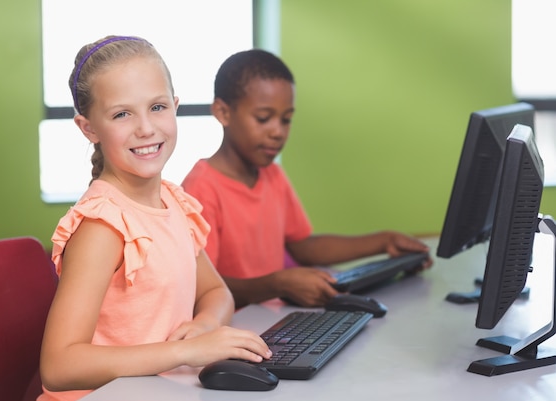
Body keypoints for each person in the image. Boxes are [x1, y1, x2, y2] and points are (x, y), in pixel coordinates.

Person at [30, 36, 272, 401]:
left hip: (153, 399)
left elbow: (216, 292)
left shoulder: (173, 203)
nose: (145, 128)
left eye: (157, 107)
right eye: (121, 114)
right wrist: (185, 352)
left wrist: (205, 325)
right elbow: (60, 366)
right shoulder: (102, 225)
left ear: (175, 107)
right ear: (88, 127)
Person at [181, 49, 432, 310]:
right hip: (234, 329)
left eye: (286, 119)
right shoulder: (201, 189)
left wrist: (384, 241)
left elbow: (304, 247)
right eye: (263, 118)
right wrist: (276, 284)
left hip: (274, 317)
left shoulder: (272, 174)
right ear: (223, 112)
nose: (278, 132)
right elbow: (204, 287)